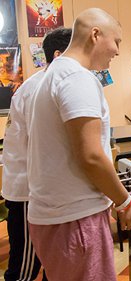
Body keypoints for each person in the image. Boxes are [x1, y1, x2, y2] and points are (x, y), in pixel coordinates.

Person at [26, 8, 131, 281]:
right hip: (74, 220)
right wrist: (124, 201)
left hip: (57, 216)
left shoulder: (54, 72)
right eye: (116, 42)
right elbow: (90, 155)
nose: (117, 51)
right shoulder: (77, 78)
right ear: (95, 35)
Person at [1, 27, 72, 281]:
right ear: (59, 54)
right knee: (23, 270)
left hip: (43, 191)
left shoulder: (49, 83)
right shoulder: (40, 87)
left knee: (53, 265)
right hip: (27, 193)